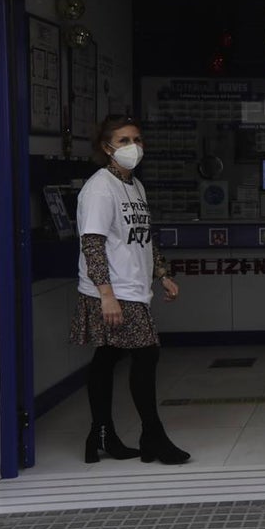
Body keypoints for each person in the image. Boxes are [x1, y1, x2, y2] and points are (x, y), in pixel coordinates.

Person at [70, 114, 191, 466]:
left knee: (107, 357)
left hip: (133, 285)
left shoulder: (135, 185)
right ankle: (152, 435)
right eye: (123, 141)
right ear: (106, 147)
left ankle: (101, 433)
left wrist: (162, 273)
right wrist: (106, 294)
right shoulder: (99, 189)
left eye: (136, 139)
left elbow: (143, 236)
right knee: (146, 353)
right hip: (112, 289)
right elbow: (91, 244)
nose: (132, 147)